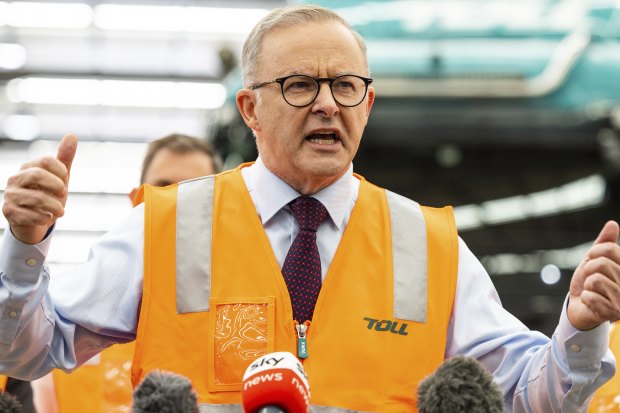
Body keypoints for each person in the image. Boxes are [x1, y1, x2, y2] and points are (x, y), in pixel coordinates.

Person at [0, 5, 619, 412]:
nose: (327, 104)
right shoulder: (165, 226)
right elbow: (26, 351)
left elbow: (529, 394)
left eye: (345, 86)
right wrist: (25, 247)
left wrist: (581, 331)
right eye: (300, 85)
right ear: (250, 109)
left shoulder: (430, 246)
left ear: (367, 105)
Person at [30, 134, 222, 413]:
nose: (177, 206)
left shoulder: (239, 319)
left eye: (193, 191)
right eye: (164, 190)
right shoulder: (73, 314)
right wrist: (25, 243)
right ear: (138, 200)